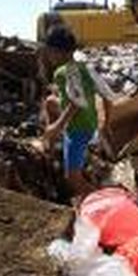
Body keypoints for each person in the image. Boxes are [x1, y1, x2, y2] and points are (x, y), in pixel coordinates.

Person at [43, 25, 117, 199]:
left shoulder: (63, 72)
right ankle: (51, 148)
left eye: (49, 51)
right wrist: (106, 124)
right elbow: (108, 96)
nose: (48, 55)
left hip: (77, 129)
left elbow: (76, 103)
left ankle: (103, 201)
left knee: (72, 179)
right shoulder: (87, 68)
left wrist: (56, 127)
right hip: (91, 124)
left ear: (57, 51)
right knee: (49, 102)